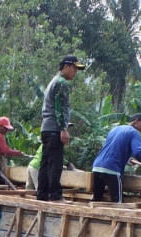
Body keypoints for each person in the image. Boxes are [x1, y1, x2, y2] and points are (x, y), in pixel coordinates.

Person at [38, 55, 85, 201]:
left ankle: (42, 194)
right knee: (55, 164)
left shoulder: (54, 81)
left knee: (46, 163)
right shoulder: (61, 83)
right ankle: (55, 195)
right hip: (54, 129)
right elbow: (59, 108)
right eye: (74, 68)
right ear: (66, 66)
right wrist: (63, 129)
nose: (75, 72)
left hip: (47, 127)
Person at [91, 114, 141, 203]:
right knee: (117, 203)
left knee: (96, 200)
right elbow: (138, 153)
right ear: (137, 121)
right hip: (112, 169)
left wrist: (126, 159)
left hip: (97, 167)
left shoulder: (115, 129)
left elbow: (111, 149)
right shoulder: (134, 132)